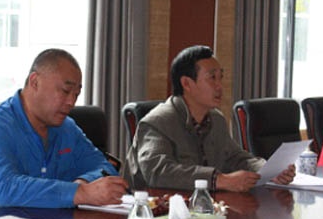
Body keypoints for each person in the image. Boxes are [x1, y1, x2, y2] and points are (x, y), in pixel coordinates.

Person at [0, 48, 128, 208]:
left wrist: (84, 182)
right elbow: (6, 190)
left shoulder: (66, 128)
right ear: (35, 82)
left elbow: (105, 168)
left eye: (76, 94)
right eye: (65, 91)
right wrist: (78, 193)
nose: (71, 102)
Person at [124, 45, 295, 192]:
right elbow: (158, 172)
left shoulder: (216, 119)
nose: (220, 86)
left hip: (203, 207)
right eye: (212, 78)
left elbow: (234, 157)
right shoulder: (157, 122)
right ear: (186, 83)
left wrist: (268, 170)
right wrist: (218, 180)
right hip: (157, 212)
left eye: (221, 77)